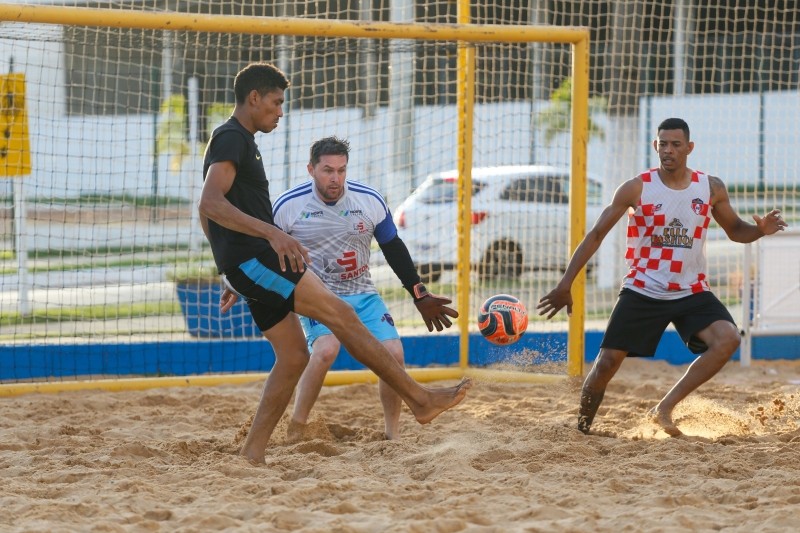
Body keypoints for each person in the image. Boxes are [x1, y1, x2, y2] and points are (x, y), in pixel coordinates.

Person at [198, 62, 471, 464]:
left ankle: (252, 454)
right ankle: (420, 399)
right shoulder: (231, 138)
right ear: (253, 98)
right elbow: (209, 203)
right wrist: (265, 241)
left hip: (250, 262)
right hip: (260, 257)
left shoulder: (241, 141)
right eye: (275, 103)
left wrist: (230, 267)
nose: (280, 111)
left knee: (294, 358)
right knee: (341, 316)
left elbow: (210, 215)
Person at [536, 117, 788, 437]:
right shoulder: (636, 187)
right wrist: (565, 283)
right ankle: (581, 429)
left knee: (729, 339)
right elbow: (597, 234)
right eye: (662, 144)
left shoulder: (710, 187)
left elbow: (736, 230)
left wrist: (760, 231)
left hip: (690, 289)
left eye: (675, 144)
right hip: (644, 286)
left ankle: (664, 408)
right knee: (606, 363)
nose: (668, 150)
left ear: (689, 148)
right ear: (655, 146)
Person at [271, 136, 459, 441]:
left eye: (341, 171)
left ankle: (392, 435)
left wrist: (419, 293)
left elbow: (393, 247)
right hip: (317, 295)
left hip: (362, 292)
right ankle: (297, 426)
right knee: (325, 350)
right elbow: (267, 251)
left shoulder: (368, 200)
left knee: (394, 353)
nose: (335, 179)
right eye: (327, 170)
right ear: (310, 169)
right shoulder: (288, 206)